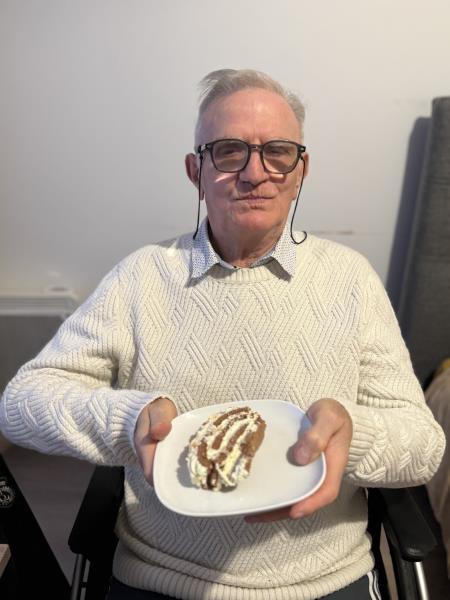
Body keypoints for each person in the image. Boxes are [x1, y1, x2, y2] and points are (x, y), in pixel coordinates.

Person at [0, 69, 445, 600]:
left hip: (323, 579)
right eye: (230, 151)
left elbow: (423, 445)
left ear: (301, 170)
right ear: (196, 171)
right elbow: (22, 404)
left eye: (278, 152)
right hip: (161, 575)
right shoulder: (141, 277)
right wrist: (127, 420)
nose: (256, 173)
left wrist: (354, 434)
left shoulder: (350, 279)